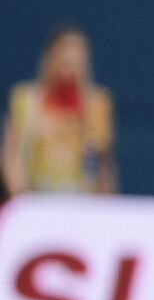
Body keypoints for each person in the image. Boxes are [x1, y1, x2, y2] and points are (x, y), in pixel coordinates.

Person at [2, 24, 117, 195]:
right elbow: (11, 159)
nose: (70, 72)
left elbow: (104, 168)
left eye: (78, 63)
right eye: (65, 63)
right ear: (49, 59)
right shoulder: (26, 102)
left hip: (82, 207)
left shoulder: (97, 106)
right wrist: (23, 200)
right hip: (34, 202)